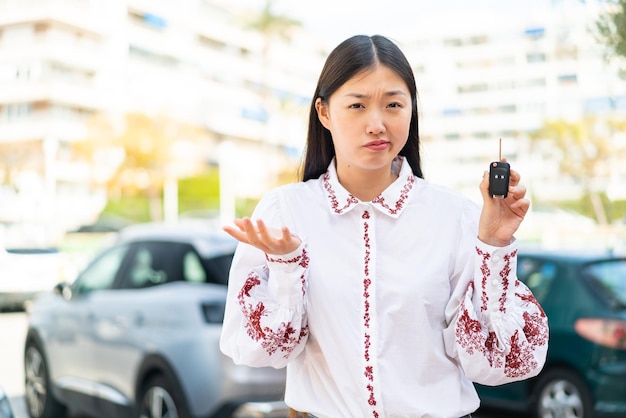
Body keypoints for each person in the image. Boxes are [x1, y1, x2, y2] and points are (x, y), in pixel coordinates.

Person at [219, 34, 548, 418]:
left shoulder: (456, 216)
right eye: (357, 105)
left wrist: (494, 244)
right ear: (324, 112)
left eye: (393, 104)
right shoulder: (284, 210)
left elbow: (501, 363)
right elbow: (260, 351)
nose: (377, 124)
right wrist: (286, 269)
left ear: (411, 109)